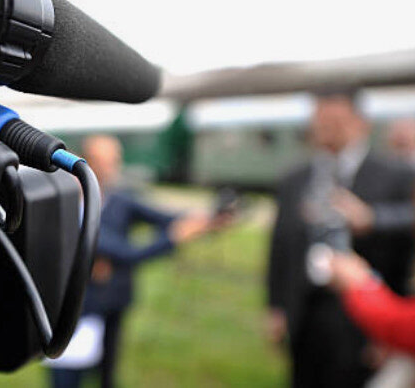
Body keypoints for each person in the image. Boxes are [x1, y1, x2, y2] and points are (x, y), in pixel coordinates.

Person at [50, 134, 230, 388]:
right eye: (104, 161)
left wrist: (206, 219)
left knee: (109, 369)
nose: (112, 168)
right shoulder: (74, 206)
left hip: (115, 298)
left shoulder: (119, 198)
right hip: (83, 306)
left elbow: (162, 217)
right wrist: (175, 236)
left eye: (115, 160)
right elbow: (127, 252)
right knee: (69, 374)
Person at [267, 91, 415, 388]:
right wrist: (276, 305)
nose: (325, 129)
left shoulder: (397, 175)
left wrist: (372, 219)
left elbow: (406, 243)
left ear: (362, 124)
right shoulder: (295, 178)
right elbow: (280, 245)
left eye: (335, 121)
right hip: (306, 309)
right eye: (320, 122)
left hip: (365, 317)